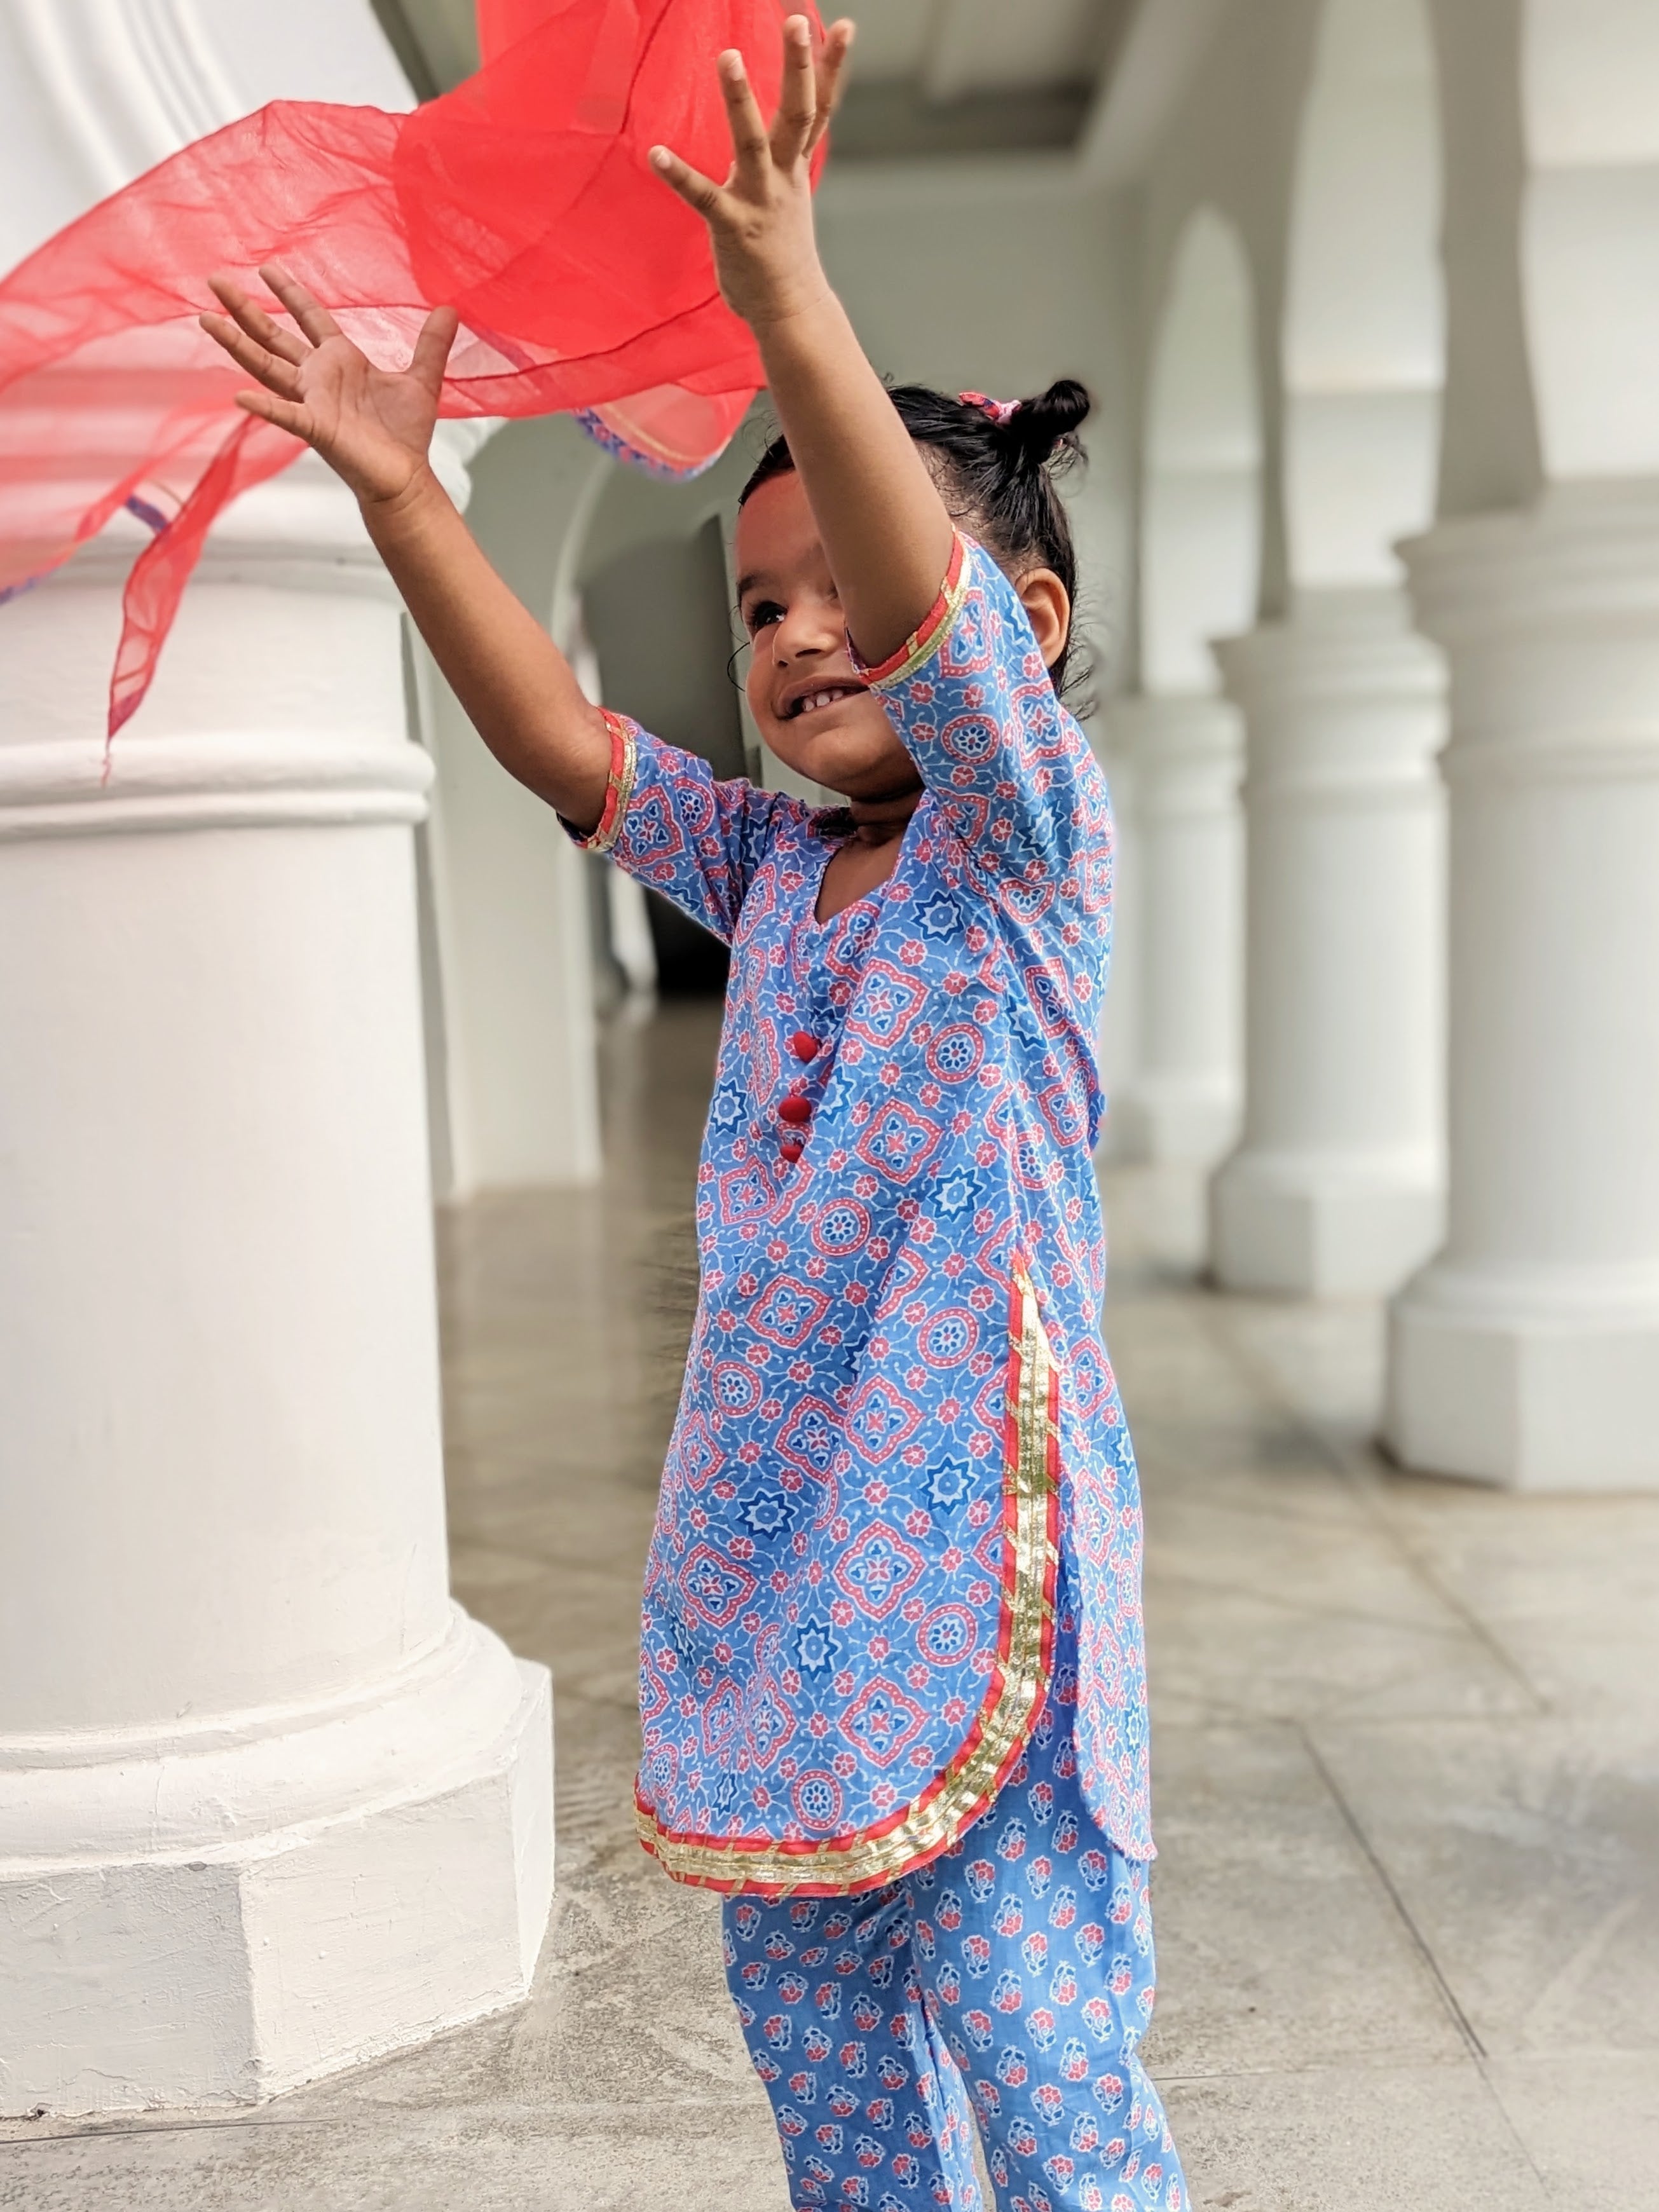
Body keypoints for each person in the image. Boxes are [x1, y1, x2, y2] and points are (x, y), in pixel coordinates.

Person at [201, 17, 1186, 2210]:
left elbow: (925, 620)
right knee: (827, 2087)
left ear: (1012, 630)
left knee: (1047, 2093)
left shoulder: (1016, 844)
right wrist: (396, 497)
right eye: (759, 607)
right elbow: (562, 742)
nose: (803, 632)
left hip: (980, 1614)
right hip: (771, 1579)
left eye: (845, 582)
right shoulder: (763, 872)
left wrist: (785, 299)